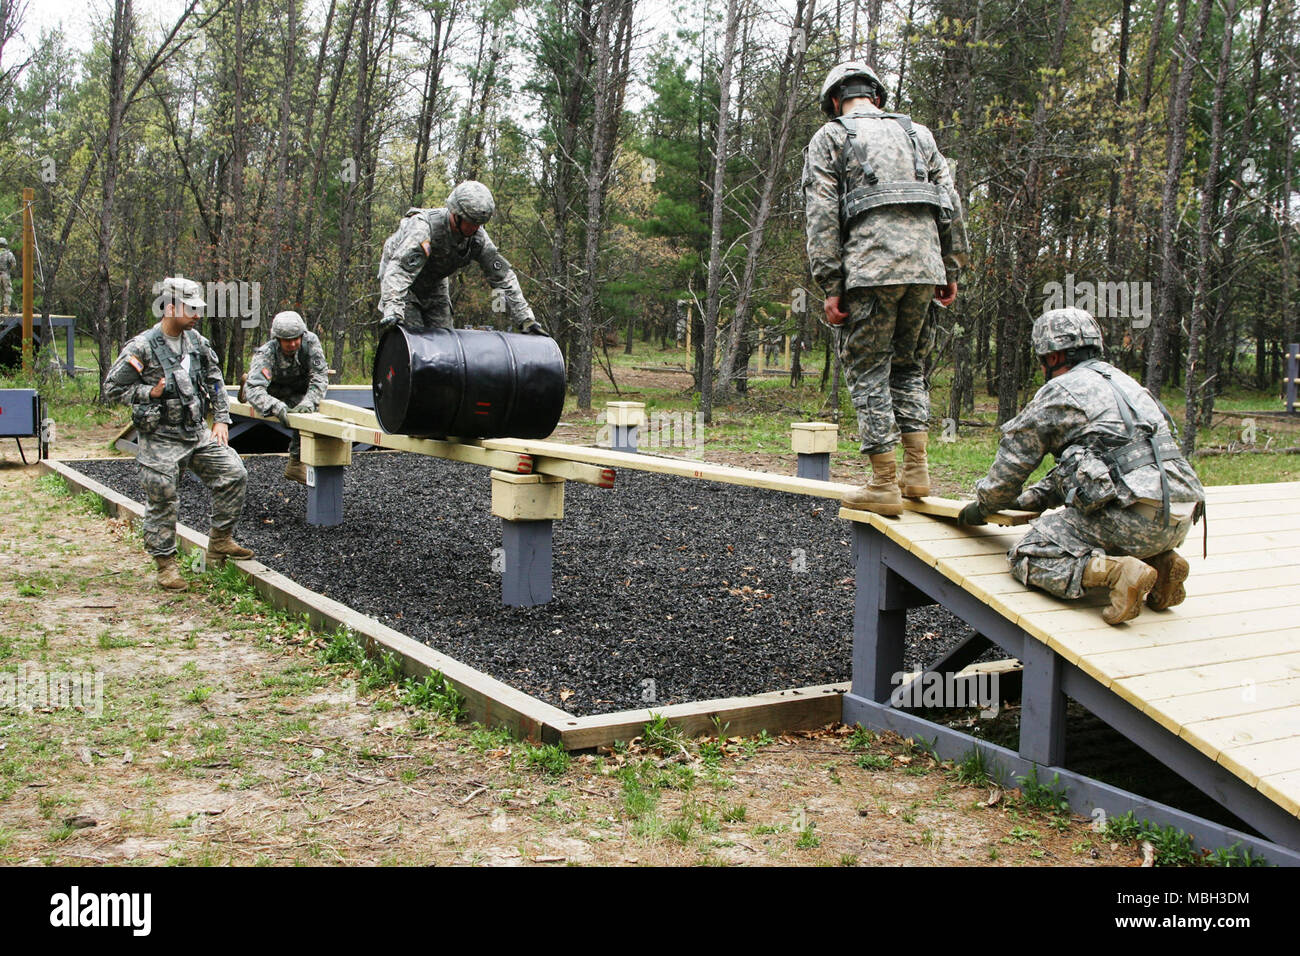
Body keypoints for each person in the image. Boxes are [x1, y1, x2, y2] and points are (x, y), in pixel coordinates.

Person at [959, 307, 1206, 626]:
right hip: (1181, 516)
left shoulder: (1058, 392)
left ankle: (1118, 572)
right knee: (1120, 522)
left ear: (1051, 356)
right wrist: (1034, 499)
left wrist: (984, 506)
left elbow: (1010, 469)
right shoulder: (1125, 383)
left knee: (1030, 553)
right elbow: (1092, 464)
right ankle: (1163, 561)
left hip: (1133, 519)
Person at [803, 62, 969, 514]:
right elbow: (950, 205)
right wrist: (951, 269)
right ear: (875, 96)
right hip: (924, 269)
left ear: (836, 100)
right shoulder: (920, 135)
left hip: (870, 272)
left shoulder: (831, 137)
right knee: (909, 365)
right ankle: (916, 473)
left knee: (868, 370)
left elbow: (821, 216)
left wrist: (830, 283)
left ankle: (883, 484)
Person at [104, 276, 253, 591]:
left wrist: (222, 419)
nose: (197, 314)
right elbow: (112, 388)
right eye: (191, 308)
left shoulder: (197, 342)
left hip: (195, 432)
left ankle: (220, 541)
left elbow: (214, 380)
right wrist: (148, 393)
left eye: (199, 308)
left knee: (233, 472)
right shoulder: (142, 346)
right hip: (161, 436)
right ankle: (166, 565)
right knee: (162, 495)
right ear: (170, 308)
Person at [377, 180, 547, 335]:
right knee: (414, 341)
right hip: (404, 284)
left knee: (445, 343)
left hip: (435, 283)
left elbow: (502, 277)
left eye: (479, 224)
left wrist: (525, 319)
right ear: (456, 214)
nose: (475, 228)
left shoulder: (478, 239)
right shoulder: (423, 229)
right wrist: (393, 308)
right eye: (470, 222)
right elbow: (399, 270)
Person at [241, 310, 329, 484]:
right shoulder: (266, 352)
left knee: (308, 412)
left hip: (299, 389)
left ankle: (295, 463)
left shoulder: (310, 342)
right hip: (274, 390)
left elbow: (320, 375)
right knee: (253, 386)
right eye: (288, 340)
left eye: (297, 338)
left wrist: (310, 401)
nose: (293, 343)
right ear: (278, 339)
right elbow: (256, 390)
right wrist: (275, 406)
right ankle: (246, 381)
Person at [0, 238, 16, 313]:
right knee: (7, 291)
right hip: (5, 274)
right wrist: (9, 270)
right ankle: (6, 309)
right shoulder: (8, 254)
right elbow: (13, 264)